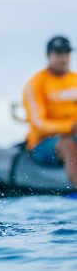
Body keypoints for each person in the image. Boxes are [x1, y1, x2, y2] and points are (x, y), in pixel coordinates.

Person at [23, 35, 77, 187]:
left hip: (74, 136)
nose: (64, 58)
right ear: (48, 56)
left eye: (67, 53)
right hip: (42, 144)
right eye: (59, 54)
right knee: (67, 145)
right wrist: (70, 127)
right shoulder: (35, 84)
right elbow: (39, 124)